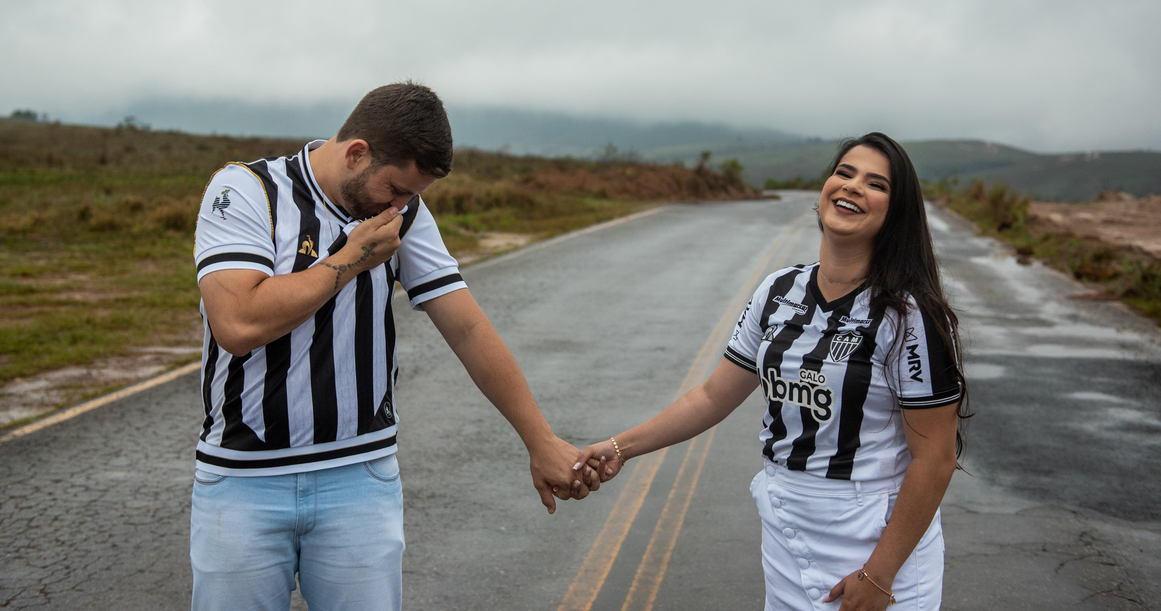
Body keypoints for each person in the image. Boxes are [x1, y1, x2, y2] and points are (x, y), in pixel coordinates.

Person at [190, 82, 597, 610]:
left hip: (358, 477)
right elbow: (237, 323)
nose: (402, 206)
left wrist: (539, 440)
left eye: (413, 196)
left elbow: (468, 328)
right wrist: (349, 260)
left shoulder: (404, 212)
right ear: (357, 152)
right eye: (396, 189)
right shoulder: (246, 189)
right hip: (243, 480)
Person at [581, 132, 968, 611]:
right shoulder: (778, 290)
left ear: (897, 211)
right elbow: (711, 397)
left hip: (874, 546)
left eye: (875, 184)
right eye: (844, 173)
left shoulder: (910, 316)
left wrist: (880, 574)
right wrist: (620, 447)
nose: (851, 188)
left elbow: (935, 458)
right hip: (787, 534)